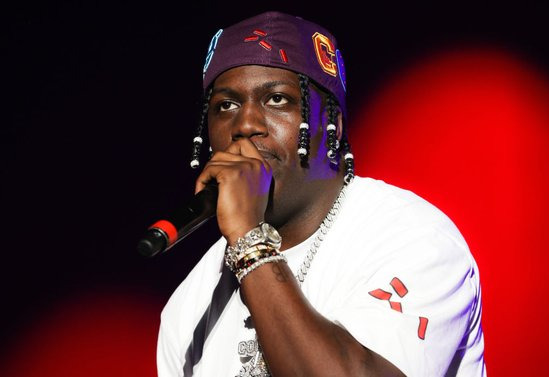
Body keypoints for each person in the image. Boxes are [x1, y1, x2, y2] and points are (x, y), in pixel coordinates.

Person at [157, 11, 486, 377]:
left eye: (278, 99)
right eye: (226, 105)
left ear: (332, 124)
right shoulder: (188, 306)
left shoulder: (413, 237)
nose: (245, 124)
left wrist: (250, 244)